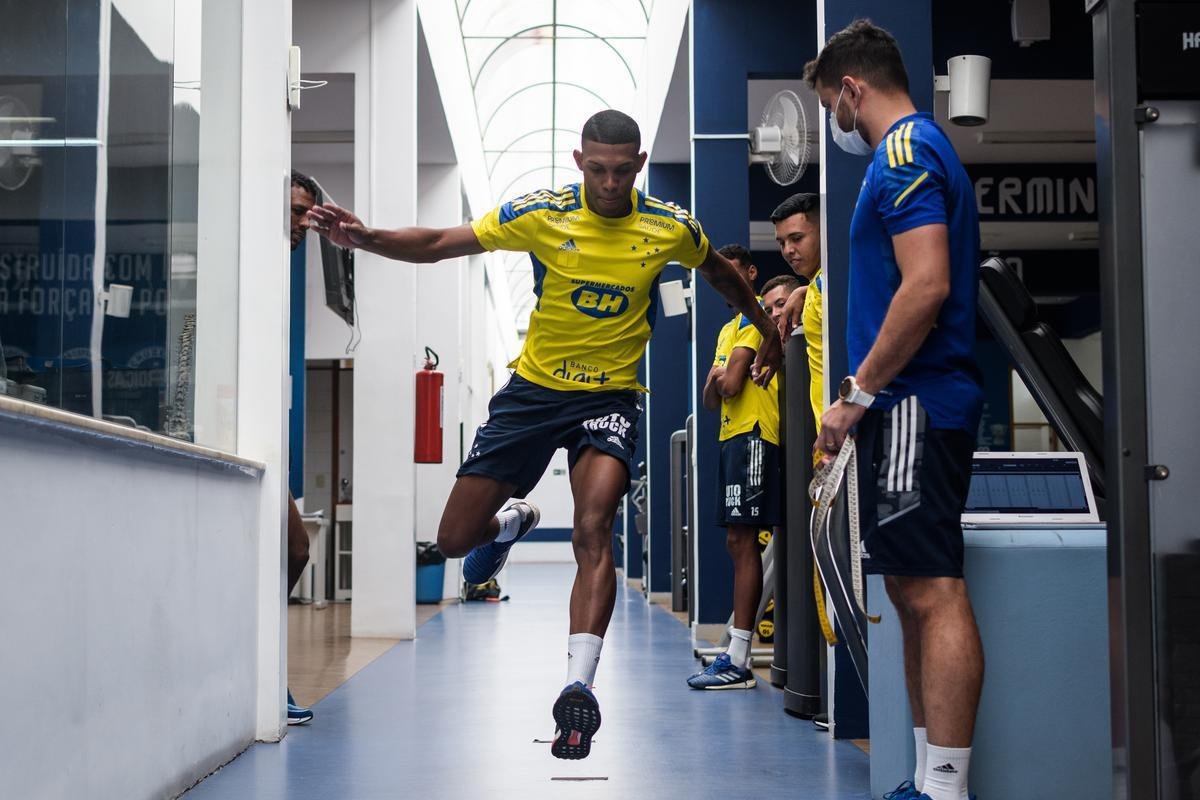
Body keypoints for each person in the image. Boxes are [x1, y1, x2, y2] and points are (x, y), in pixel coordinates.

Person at [305, 110, 781, 759]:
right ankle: (509, 525)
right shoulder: (543, 213)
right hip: (534, 391)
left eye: (621, 171)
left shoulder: (669, 225)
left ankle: (576, 688)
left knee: (594, 524)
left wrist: (769, 328)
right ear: (578, 161)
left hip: (610, 395)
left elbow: (721, 274)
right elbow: (444, 240)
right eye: (597, 169)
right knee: (452, 539)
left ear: (638, 166)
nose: (609, 183)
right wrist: (368, 237)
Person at [805, 20, 984, 800]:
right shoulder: (908, 154)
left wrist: (855, 396)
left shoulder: (905, 153)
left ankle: (945, 787)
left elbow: (927, 285)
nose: (835, 125)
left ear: (852, 89)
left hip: (913, 401)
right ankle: (926, 780)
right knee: (910, 592)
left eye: (830, 108)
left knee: (931, 590)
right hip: (904, 406)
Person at [687, 246, 784, 690]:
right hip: (731, 436)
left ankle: (739, 658)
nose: (723, 279)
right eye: (716, 274)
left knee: (743, 540)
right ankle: (738, 652)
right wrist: (720, 380)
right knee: (736, 542)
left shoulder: (753, 320)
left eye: (731, 271)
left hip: (757, 434)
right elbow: (711, 398)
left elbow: (727, 382)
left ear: (749, 272)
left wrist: (720, 377)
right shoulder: (729, 328)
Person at [281, 170, 319, 725]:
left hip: (266, 444)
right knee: (293, 551)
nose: (300, 222)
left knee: (295, 551)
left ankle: (266, 673)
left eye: (307, 214)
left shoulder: (284, 276)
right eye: (292, 210)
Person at [771, 193, 825, 432]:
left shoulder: (831, 284)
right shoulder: (816, 285)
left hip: (848, 427)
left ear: (824, 229)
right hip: (827, 430)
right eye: (782, 242)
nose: (788, 250)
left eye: (797, 238)